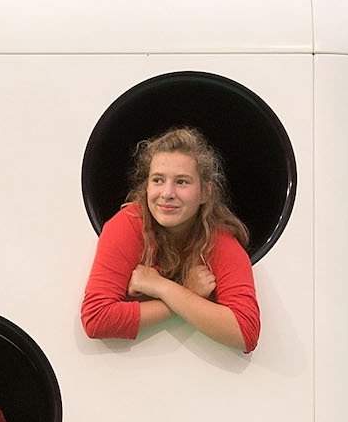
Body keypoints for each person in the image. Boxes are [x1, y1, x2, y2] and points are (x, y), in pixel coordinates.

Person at [79, 127, 260, 354]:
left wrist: (162, 287)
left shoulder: (217, 238)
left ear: (205, 192)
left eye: (182, 182)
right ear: (146, 186)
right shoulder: (128, 224)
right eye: (158, 180)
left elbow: (246, 332)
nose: (167, 193)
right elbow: (97, 318)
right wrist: (188, 292)